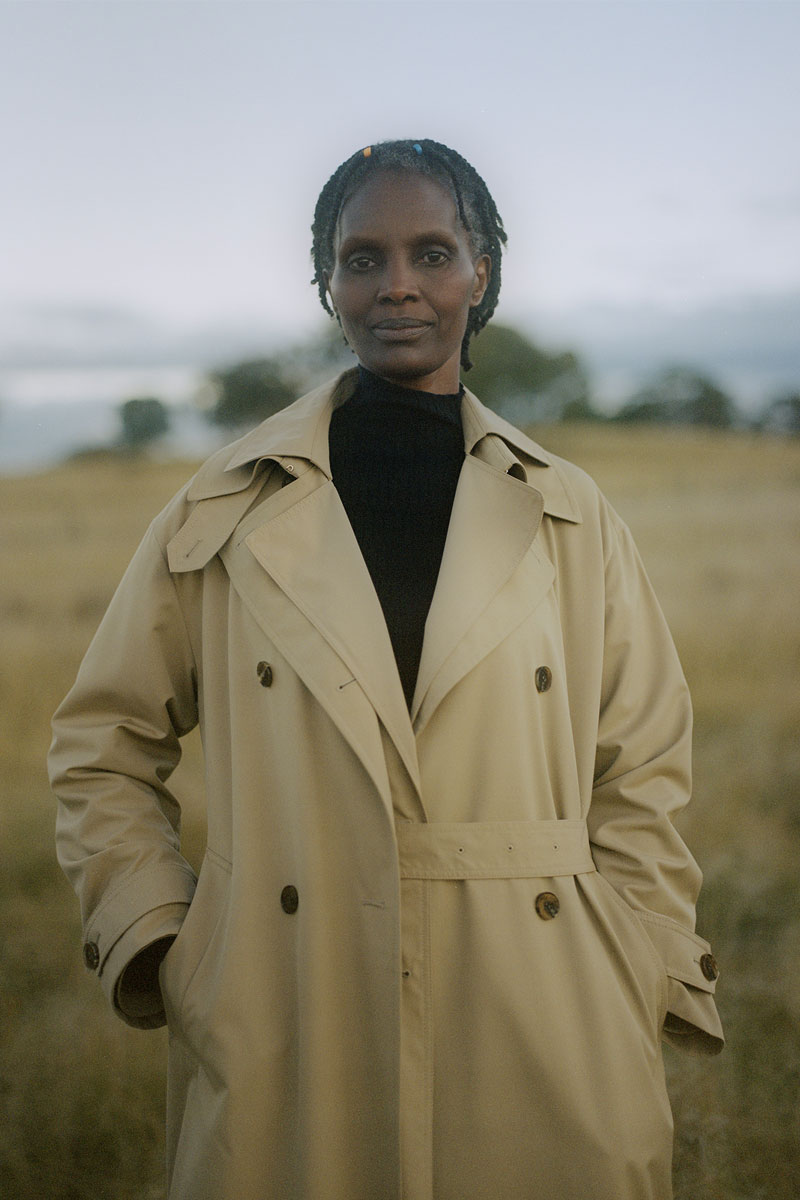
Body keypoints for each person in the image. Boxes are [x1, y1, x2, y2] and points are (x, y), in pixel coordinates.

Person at [49, 138, 723, 1200]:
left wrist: (633, 960)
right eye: (362, 258)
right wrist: (161, 937)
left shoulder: (569, 513)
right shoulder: (224, 508)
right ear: (327, 281)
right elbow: (101, 744)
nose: (396, 284)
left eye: (430, 252)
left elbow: (641, 764)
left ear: (479, 273)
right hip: (287, 1005)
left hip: (547, 1014)